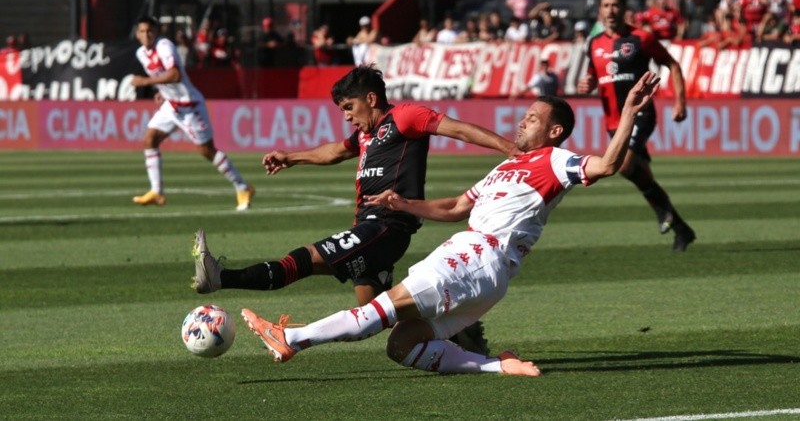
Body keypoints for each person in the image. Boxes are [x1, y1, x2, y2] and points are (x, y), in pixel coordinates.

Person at [239, 71, 663, 376]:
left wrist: (627, 111)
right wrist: (403, 203)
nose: (523, 121)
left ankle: (292, 339)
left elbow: (607, 165)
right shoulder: (504, 168)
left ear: (554, 131)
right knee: (401, 345)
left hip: (479, 255)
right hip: (482, 268)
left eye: (533, 119)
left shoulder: (555, 160)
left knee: (381, 310)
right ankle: (497, 365)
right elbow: (456, 207)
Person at [193, 64, 516, 353]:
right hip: (368, 227)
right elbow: (334, 151)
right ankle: (459, 331)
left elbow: (458, 129)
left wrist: (508, 148)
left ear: (371, 99)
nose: (347, 116)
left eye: (349, 107)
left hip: (387, 226)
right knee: (377, 312)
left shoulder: (405, 117)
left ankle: (221, 277)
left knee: (305, 260)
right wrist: (291, 157)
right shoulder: (365, 134)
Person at [577, 0, 695, 252]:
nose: (610, 11)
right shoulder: (593, 44)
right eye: (606, 6)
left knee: (623, 165)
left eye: (615, 5)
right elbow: (593, 75)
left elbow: (672, 64)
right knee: (640, 175)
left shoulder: (641, 38)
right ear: (600, 11)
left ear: (624, 8)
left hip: (641, 113)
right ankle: (680, 228)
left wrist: (680, 101)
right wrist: (587, 83)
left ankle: (665, 214)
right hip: (613, 122)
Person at [130, 16, 255, 210]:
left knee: (207, 151)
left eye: (150, 31)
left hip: (189, 105)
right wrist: (162, 91)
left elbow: (175, 74)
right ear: (137, 34)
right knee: (149, 139)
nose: (146, 35)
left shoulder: (164, 46)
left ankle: (243, 187)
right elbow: (162, 76)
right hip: (171, 104)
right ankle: (156, 192)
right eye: (142, 31)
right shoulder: (141, 53)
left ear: (156, 32)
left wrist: (145, 82)